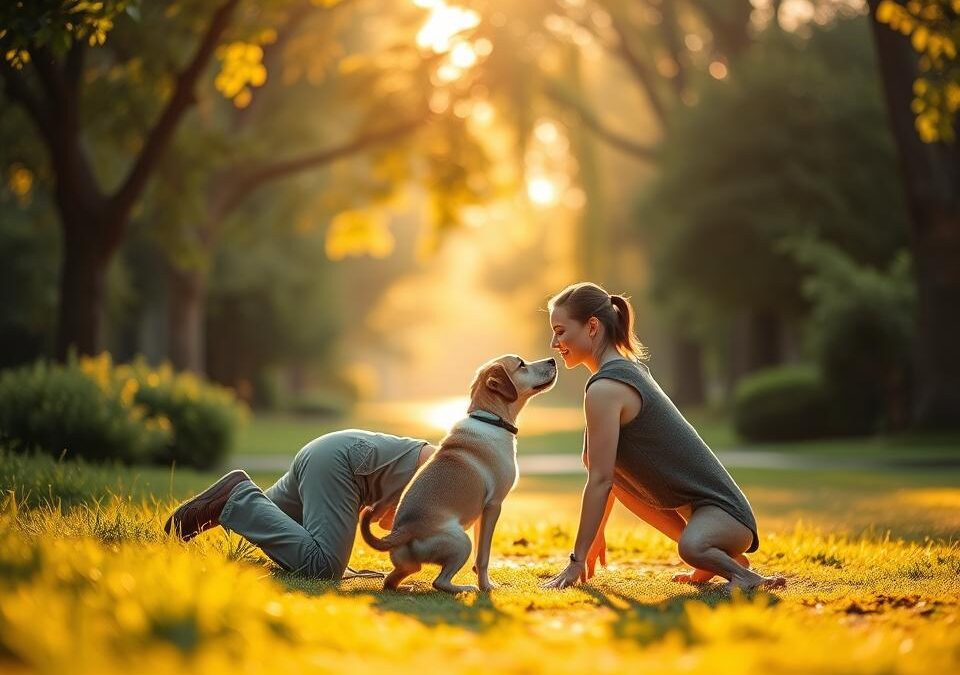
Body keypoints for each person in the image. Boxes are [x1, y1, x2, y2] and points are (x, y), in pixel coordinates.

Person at [540, 282, 786, 591]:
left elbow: (600, 481)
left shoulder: (607, 388)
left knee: (691, 548)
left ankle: (744, 576)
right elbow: (606, 473)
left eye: (560, 331)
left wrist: (576, 562)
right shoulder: (623, 373)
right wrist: (595, 536)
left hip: (725, 515)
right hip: (710, 518)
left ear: (592, 326)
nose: (554, 342)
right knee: (600, 465)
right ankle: (719, 559)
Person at [164, 429, 436, 580]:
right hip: (342, 465)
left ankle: (218, 507)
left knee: (268, 518)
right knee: (324, 567)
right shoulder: (452, 470)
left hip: (329, 454)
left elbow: (391, 523)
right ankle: (238, 497)